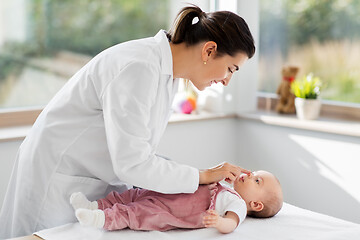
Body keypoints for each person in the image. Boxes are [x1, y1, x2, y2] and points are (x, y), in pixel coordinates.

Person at [0, 5, 255, 238]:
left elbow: (138, 152)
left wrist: (199, 179)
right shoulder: (139, 66)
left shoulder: (168, 75)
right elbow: (133, 163)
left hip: (87, 180)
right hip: (55, 180)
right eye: (231, 69)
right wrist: (201, 175)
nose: (226, 81)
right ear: (209, 50)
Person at [71, 170, 283, 234]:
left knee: (140, 211)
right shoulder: (227, 187)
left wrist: (219, 222)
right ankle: (94, 205)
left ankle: (100, 218)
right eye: (254, 172)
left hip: (173, 210)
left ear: (256, 205)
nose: (249, 175)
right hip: (171, 193)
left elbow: (231, 223)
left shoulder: (237, 203)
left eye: (257, 180)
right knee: (134, 195)